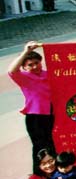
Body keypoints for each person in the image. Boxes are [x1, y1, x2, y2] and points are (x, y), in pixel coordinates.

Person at [8, 42, 54, 172]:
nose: (34, 66)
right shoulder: (23, 77)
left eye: (36, 63)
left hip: (53, 114)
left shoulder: (50, 74)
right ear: (24, 67)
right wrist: (25, 52)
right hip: (35, 117)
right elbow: (11, 70)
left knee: (53, 145)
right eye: (30, 65)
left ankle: (56, 174)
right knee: (40, 148)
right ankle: (39, 177)